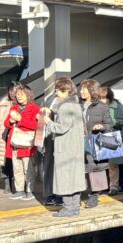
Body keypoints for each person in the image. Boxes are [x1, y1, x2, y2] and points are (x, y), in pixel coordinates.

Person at [40, 78, 88, 217]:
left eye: (58, 90)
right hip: (75, 147)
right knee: (75, 178)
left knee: (65, 178)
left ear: (66, 91)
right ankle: (74, 207)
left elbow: (61, 128)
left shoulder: (65, 107)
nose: (56, 93)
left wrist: (49, 122)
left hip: (65, 148)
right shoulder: (77, 105)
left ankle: (68, 208)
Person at [4, 86, 40, 200]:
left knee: (27, 168)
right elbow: (6, 123)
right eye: (17, 94)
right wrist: (10, 121)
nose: (18, 96)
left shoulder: (34, 108)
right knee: (17, 168)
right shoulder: (14, 107)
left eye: (21, 94)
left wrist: (20, 119)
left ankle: (30, 190)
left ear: (28, 95)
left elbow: (35, 125)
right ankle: (19, 190)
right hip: (14, 142)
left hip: (26, 143)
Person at [80, 79, 111, 208]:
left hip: (94, 141)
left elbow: (109, 124)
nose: (80, 91)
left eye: (83, 89)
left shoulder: (102, 107)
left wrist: (102, 126)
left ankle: (94, 196)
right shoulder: (77, 105)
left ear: (91, 91)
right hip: (78, 140)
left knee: (95, 168)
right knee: (79, 167)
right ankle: (79, 193)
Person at [100, 86, 123, 195]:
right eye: (100, 98)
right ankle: (109, 186)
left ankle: (119, 185)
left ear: (109, 97)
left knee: (117, 163)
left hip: (115, 136)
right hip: (103, 136)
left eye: (104, 98)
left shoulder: (118, 107)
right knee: (106, 163)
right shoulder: (98, 106)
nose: (102, 100)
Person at [0, 83, 22, 195]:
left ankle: (18, 185)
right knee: (5, 162)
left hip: (18, 136)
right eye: (10, 89)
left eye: (15, 90)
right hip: (3, 136)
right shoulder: (2, 104)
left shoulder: (23, 104)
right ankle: (7, 185)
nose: (13, 92)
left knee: (17, 161)